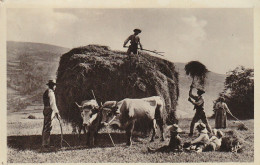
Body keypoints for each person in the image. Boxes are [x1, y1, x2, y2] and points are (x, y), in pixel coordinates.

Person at [42, 80, 60, 150]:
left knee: (46, 126)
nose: (55, 87)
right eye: (55, 85)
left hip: (45, 109)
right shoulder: (51, 93)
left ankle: (45, 143)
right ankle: (45, 144)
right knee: (48, 127)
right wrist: (57, 113)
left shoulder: (46, 91)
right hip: (49, 110)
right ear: (52, 85)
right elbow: (53, 104)